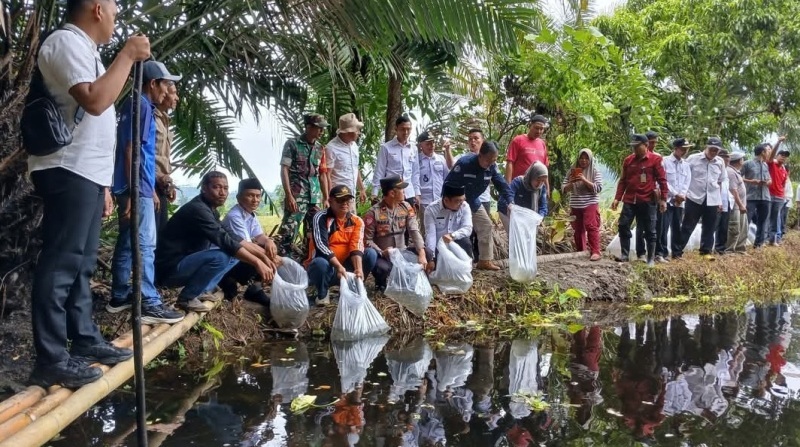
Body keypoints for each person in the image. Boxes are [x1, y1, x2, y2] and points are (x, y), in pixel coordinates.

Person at [27, 0, 151, 388]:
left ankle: (82, 339)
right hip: (65, 168)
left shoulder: (89, 53)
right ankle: (50, 357)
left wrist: (103, 184)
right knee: (62, 262)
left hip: (85, 173)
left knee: (80, 265)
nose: (117, 17)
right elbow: (96, 101)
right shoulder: (65, 42)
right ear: (97, 8)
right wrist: (129, 55)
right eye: (114, 8)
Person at [108, 60, 184, 325]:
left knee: (129, 242)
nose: (167, 91)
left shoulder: (139, 106)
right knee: (145, 245)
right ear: (153, 83)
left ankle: (119, 295)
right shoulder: (141, 106)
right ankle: (149, 302)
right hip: (137, 187)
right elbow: (132, 150)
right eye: (165, 85)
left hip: (134, 186)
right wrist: (140, 188)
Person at [156, 172, 276, 312]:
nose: (222, 192)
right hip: (169, 270)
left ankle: (203, 291)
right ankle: (187, 298)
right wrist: (257, 262)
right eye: (217, 187)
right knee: (223, 255)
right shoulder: (198, 209)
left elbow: (233, 237)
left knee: (233, 254)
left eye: (225, 188)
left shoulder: (211, 210)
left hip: (184, 264)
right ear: (204, 188)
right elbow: (224, 241)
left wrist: (263, 257)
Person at [444, 141, 514, 271]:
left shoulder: (492, 167)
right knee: (455, 231)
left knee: (485, 225)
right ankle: (452, 263)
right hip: (455, 201)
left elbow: (502, 185)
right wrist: (450, 204)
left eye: (494, 160)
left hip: (473, 200)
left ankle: (484, 260)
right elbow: (448, 184)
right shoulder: (464, 163)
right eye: (488, 160)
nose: (491, 163)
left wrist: (510, 202)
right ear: (480, 155)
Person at [305, 185, 377, 305]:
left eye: (347, 200)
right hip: (328, 268)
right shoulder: (320, 217)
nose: (344, 203)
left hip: (346, 269)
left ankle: (353, 286)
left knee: (370, 254)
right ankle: (322, 293)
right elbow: (322, 246)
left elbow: (356, 246)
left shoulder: (357, 221)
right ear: (330, 201)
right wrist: (338, 267)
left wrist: (358, 269)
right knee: (319, 263)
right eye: (340, 200)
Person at [218, 178, 281, 305]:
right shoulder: (234, 216)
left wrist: (268, 241)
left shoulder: (250, 214)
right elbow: (247, 247)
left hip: (237, 255)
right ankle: (229, 281)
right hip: (227, 260)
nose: (255, 200)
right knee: (260, 259)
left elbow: (259, 236)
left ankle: (254, 288)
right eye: (250, 195)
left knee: (272, 250)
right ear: (238, 197)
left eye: (258, 196)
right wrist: (268, 258)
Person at [363, 176, 431, 290]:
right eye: (401, 189)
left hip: (402, 252)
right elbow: (367, 240)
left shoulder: (406, 207)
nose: (404, 192)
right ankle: (381, 283)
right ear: (392, 193)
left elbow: (414, 230)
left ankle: (418, 281)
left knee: (428, 252)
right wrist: (381, 252)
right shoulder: (373, 212)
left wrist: (422, 253)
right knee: (381, 268)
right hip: (385, 256)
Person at [277, 113, 329, 256]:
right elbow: (284, 169)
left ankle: (308, 263)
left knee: (314, 233)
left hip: (315, 197)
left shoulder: (320, 148)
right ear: (308, 127)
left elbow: (322, 173)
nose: (321, 132)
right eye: (319, 128)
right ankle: (281, 263)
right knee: (288, 231)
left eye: (322, 129)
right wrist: (289, 195)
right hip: (297, 195)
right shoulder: (292, 144)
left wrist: (326, 197)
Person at [611, 134, 668, 266]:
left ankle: (650, 259)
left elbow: (662, 180)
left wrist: (663, 199)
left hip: (647, 200)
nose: (635, 149)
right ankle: (625, 255)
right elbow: (623, 181)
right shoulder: (628, 160)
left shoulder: (655, 159)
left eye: (637, 147)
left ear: (646, 146)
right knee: (623, 225)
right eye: (633, 147)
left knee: (650, 230)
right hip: (630, 200)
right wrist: (617, 198)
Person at [674, 137, 728, 258]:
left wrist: (719, 200)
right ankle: (677, 252)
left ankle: (706, 251)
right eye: (711, 149)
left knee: (709, 226)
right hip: (694, 197)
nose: (713, 152)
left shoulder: (720, 162)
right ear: (706, 147)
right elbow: (684, 176)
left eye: (716, 150)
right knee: (688, 226)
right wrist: (684, 193)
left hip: (712, 199)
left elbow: (719, 182)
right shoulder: (693, 159)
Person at [561, 149, 603, 261]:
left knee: (591, 225)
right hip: (575, 203)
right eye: (581, 158)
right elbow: (564, 189)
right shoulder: (571, 171)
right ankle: (581, 251)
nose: (583, 161)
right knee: (578, 228)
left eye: (586, 158)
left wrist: (584, 180)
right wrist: (572, 183)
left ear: (590, 160)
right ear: (578, 159)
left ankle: (595, 251)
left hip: (590, 202)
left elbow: (598, 188)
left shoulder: (594, 171)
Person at [371, 115, 421, 208]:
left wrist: (417, 193)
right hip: (392, 193)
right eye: (402, 129)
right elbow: (379, 171)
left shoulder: (413, 148)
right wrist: (375, 192)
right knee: (391, 220)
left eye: (408, 129)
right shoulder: (386, 148)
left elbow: (415, 173)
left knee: (409, 221)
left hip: (409, 193)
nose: (406, 132)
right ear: (396, 129)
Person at [656, 138, 692, 262]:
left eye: (686, 149)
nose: (684, 152)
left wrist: (682, 195)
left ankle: (677, 253)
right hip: (667, 199)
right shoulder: (665, 162)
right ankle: (662, 253)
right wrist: (676, 194)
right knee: (663, 227)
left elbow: (687, 182)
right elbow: (662, 180)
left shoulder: (686, 165)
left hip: (680, 201)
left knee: (677, 227)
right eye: (682, 149)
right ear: (675, 149)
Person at [423, 183, 473, 270]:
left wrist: (453, 235)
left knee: (466, 242)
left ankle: (467, 270)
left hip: (456, 243)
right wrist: (431, 258)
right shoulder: (431, 210)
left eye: (463, 199)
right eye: (458, 201)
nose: (461, 203)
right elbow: (431, 235)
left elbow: (468, 228)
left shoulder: (465, 206)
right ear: (446, 200)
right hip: (438, 246)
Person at [324, 113, 367, 203]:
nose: (359, 133)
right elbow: (327, 175)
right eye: (357, 130)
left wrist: (362, 189)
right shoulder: (331, 148)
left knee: (351, 217)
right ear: (348, 132)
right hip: (338, 197)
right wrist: (328, 198)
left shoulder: (354, 145)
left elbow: (355, 167)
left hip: (351, 195)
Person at [154, 82, 179, 233]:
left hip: (160, 184)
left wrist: (168, 180)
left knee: (159, 235)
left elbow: (161, 156)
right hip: (149, 182)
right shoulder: (148, 116)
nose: (177, 98)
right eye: (173, 93)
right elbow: (141, 155)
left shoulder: (164, 119)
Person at [505, 114, 550, 193]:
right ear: (530, 125)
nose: (538, 131)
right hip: (519, 185)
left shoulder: (542, 144)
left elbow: (544, 168)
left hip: (536, 187)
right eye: (536, 128)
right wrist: (508, 185)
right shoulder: (518, 140)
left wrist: (547, 188)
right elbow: (510, 163)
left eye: (541, 129)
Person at [498, 161, 549, 230]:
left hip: (524, 215)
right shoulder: (519, 182)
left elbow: (543, 207)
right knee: (515, 235)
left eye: (543, 181)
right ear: (532, 176)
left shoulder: (541, 189)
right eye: (538, 180)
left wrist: (540, 217)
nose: (539, 183)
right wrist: (511, 204)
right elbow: (509, 193)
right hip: (506, 211)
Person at [417, 130, 450, 235]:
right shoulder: (416, 160)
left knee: (442, 228)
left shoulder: (441, 159)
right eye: (428, 143)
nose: (431, 146)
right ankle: (426, 251)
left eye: (433, 143)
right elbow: (414, 179)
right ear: (421, 145)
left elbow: (447, 178)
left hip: (440, 200)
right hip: (424, 201)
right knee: (426, 230)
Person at [741, 143, 772, 247]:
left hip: (765, 196)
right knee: (747, 220)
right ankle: (741, 244)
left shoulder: (765, 165)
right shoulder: (747, 163)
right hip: (751, 196)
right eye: (767, 151)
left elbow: (769, 178)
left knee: (762, 221)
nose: (769, 153)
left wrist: (768, 181)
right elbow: (738, 177)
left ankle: (758, 244)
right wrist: (751, 181)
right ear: (762, 152)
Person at [766, 137, 789, 245]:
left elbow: (783, 184)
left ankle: (772, 239)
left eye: (785, 156)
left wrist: (783, 195)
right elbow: (771, 156)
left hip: (779, 197)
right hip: (769, 195)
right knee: (766, 217)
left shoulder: (784, 170)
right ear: (777, 156)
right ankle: (764, 239)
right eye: (781, 155)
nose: (783, 157)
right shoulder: (772, 164)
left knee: (775, 218)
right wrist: (778, 142)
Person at [726, 152, 748, 253]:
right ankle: (729, 250)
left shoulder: (736, 172)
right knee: (734, 229)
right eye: (742, 159)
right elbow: (733, 191)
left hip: (741, 205)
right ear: (739, 161)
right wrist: (740, 205)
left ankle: (740, 250)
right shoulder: (730, 172)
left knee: (743, 230)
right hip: (736, 206)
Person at [714, 149, 732, 254]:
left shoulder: (726, 171)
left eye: (728, 157)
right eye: (726, 157)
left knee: (724, 227)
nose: (728, 160)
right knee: (714, 226)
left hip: (726, 201)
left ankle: (721, 249)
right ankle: (712, 248)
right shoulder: (716, 170)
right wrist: (718, 201)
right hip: (716, 202)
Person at [781, 176, 793, 240]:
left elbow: (789, 193)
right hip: (782, 200)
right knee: (781, 217)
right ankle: (782, 231)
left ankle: (783, 231)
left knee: (784, 217)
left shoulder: (788, 181)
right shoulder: (785, 179)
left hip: (786, 201)